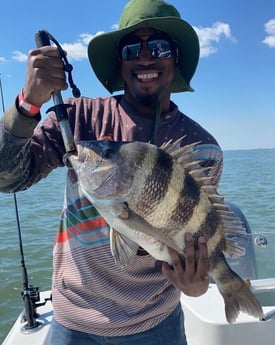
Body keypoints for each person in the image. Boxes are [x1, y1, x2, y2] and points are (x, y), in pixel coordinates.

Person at [0, 0, 223, 344]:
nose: (146, 57)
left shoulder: (203, 149)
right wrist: (27, 102)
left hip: (157, 325)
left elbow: (196, 247)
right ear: (119, 63)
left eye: (160, 47)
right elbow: (7, 177)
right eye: (132, 48)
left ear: (174, 59)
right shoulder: (76, 120)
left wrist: (198, 283)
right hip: (72, 323)